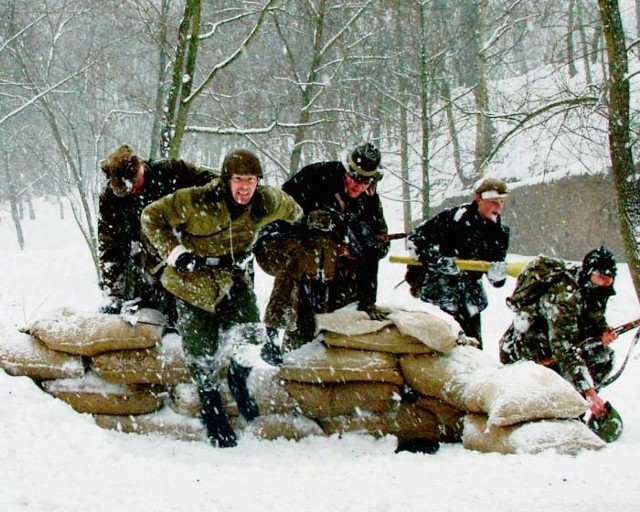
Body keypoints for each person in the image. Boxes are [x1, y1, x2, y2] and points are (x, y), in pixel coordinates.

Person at [141, 148, 303, 448]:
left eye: (251, 180)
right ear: (226, 180)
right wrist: (175, 252)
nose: (245, 187)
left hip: (233, 278)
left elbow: (295, 211)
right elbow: (151, 216)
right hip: (192, 281)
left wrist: (297, 227)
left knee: (252, 338)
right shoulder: (196, 200)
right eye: (239, 179)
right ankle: (210, 403)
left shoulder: (266, 200)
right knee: (201, 349)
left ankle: (238, 379)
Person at [253, 142, 390, 364]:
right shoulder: (315, 177)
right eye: (353, 178)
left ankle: (312, 345)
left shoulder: (370, 202)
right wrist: (304, 221)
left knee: (336, 279)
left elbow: (376, 247)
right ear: (345, 169)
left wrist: (367, 301)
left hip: (324, 261)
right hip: (276, 245)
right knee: (306, 257)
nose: (357, 186)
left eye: (364, 182)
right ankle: (272, 334)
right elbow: (273, 213)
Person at [98, 143, 217, 327]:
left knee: (195, 311)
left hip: (189, 246)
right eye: (127, 192)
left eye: (135, 184)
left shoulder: (172, 172)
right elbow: (110, 247)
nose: (134, 192)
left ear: (141, 167)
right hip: (152, 259)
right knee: (152, 311)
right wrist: (113, 292)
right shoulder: (111, 199)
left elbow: (213, 184)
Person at [499, 246, 619, 420]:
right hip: (527, 349)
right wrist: (589, 391)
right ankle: (557, 408)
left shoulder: (594, 288)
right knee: (559, 370)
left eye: (610, 277)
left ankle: (573, 406)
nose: (607, 282)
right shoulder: (564, 296)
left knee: (602, 357)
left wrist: (601, 331)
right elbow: (563, 348)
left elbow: (592, 318)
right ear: (589, 273)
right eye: (602, 276)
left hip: (554, 345)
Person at [406, 177, 511, 347]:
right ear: (479, 199)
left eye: (501, 201)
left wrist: (497, 275)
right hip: (439, 298)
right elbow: (414, 240)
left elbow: (496, 276)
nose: (498, 207)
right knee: (436, 350)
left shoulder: (500, 232)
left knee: (472, 354)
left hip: (471, 303)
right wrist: (438, 261)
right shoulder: (453, 218)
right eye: (493, 202)